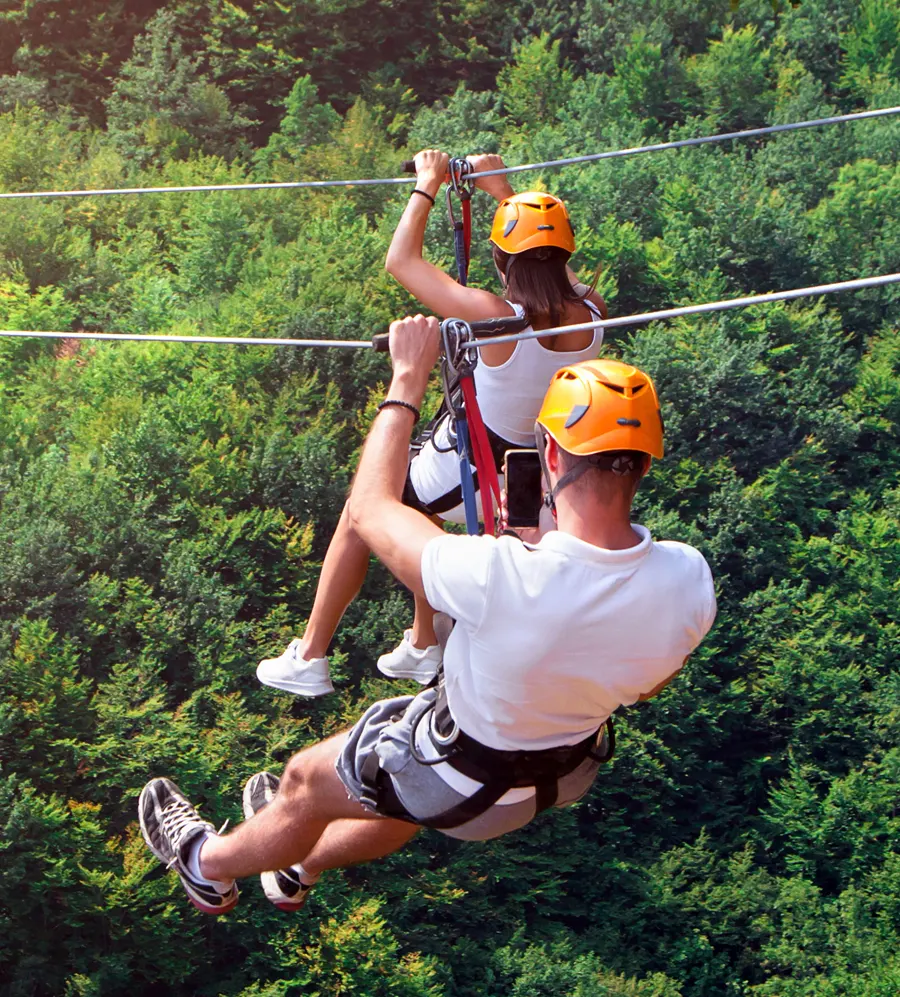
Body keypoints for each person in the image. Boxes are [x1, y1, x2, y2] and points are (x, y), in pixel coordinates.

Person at [138, 314, 717, 916]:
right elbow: (647, 682)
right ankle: (297, 867)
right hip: (560, 775)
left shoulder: (497, 574)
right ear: (645, 463)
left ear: (548, 450)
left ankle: (205, 866)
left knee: (306, 782)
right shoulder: (688, 579)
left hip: (462, 778)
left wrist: (407, 379)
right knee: (395, 796)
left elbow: (368, 509)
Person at [256, 149, 609, 697]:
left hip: (476, 462)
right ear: (565, 253)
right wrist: (502, 191)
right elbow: (550, 262)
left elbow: (401, 261)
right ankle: (424, 643)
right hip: (533, 470)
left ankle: (310, 656)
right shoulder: (592, 311)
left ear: (501, 260)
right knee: (422, 515)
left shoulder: (495, 317)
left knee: (363, 508)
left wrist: (427, 183)